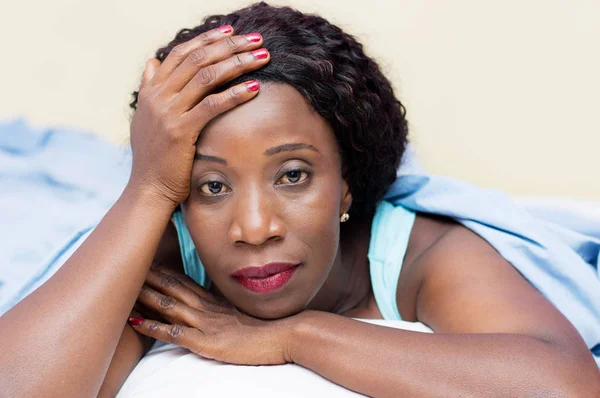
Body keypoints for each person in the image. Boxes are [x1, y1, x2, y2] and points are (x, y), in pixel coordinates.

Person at [1, 2, 599, 397]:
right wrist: (147, 189)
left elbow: (562, 386)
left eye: (292, 175)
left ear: (347, 178)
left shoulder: (422, 252)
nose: (254, 228)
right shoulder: (165, 260)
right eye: (212, 187)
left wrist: (291, 337)